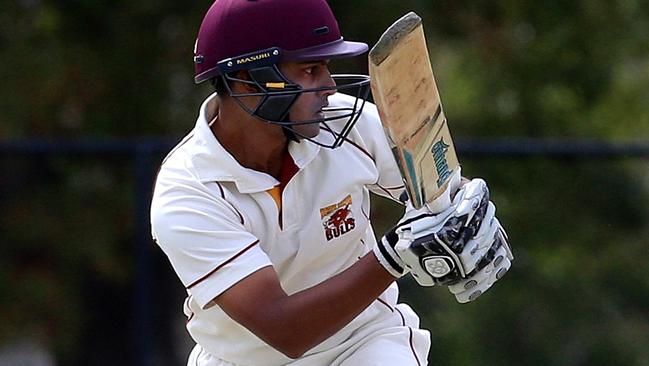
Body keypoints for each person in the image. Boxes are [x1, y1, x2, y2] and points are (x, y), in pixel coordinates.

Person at [150, 1, 513, 365]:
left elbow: (441, 189)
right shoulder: (187, 191)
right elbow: (283, 329)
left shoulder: (342, 122)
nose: (328, 85)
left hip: (365, 341)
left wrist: (462, 213)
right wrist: (395, 255)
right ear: (247, 81)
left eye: (325, 67)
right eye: (310, 69)